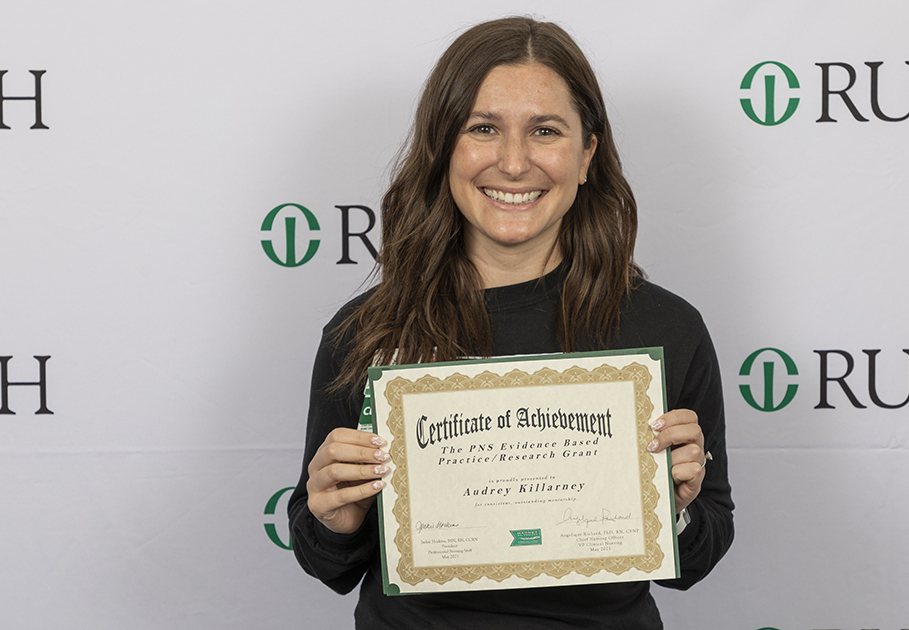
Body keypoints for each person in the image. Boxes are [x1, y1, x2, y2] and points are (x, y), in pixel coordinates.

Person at [287, 16, 733, 629]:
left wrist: (675, 508)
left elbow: (698, 554)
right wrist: (335, 520)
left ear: (587, 155)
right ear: (444, 148)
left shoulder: (667, 327)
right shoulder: (364, 333)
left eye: (545, 130)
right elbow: (330, 564)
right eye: (483, 128)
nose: (515, 163)